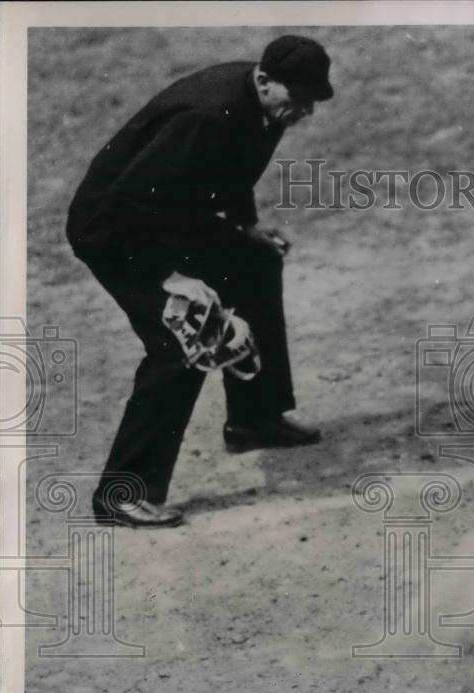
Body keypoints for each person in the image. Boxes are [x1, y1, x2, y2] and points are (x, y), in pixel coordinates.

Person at [65, 35, 334, 528]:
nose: (306, 111)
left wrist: (245, 229)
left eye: (312, 101)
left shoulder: (265, 107)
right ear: (263, 80)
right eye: (298, 100)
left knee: (255, 263)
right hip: (113, 232)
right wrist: (172, 277)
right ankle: (122, 493)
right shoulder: (205, 114)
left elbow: (232, 172)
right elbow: (128, 203)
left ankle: (254, 418)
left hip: (169, 217)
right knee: (181, 341)